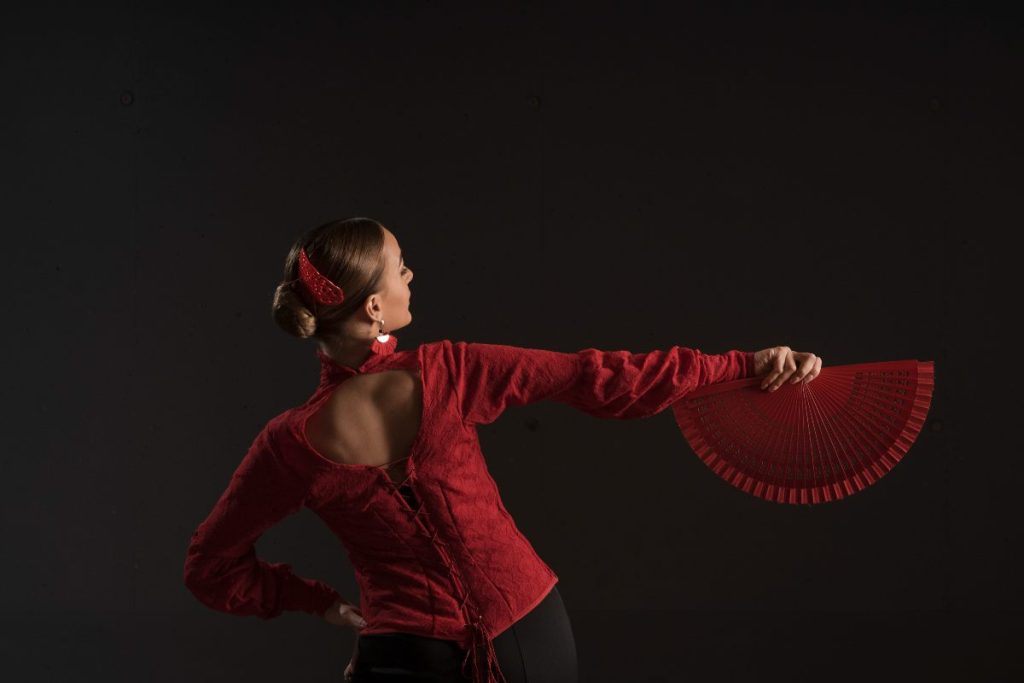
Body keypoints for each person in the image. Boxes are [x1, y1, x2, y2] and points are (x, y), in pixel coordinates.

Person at [183, 217, 822, 683]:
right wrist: (743, 365)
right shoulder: (450, 372)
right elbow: (602, 379)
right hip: (530, 633)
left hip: (402, 654)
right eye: (400, 264)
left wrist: (319, 602)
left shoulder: (287, 444)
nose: (412, 273)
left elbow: (209, 567)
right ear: (375, 307)